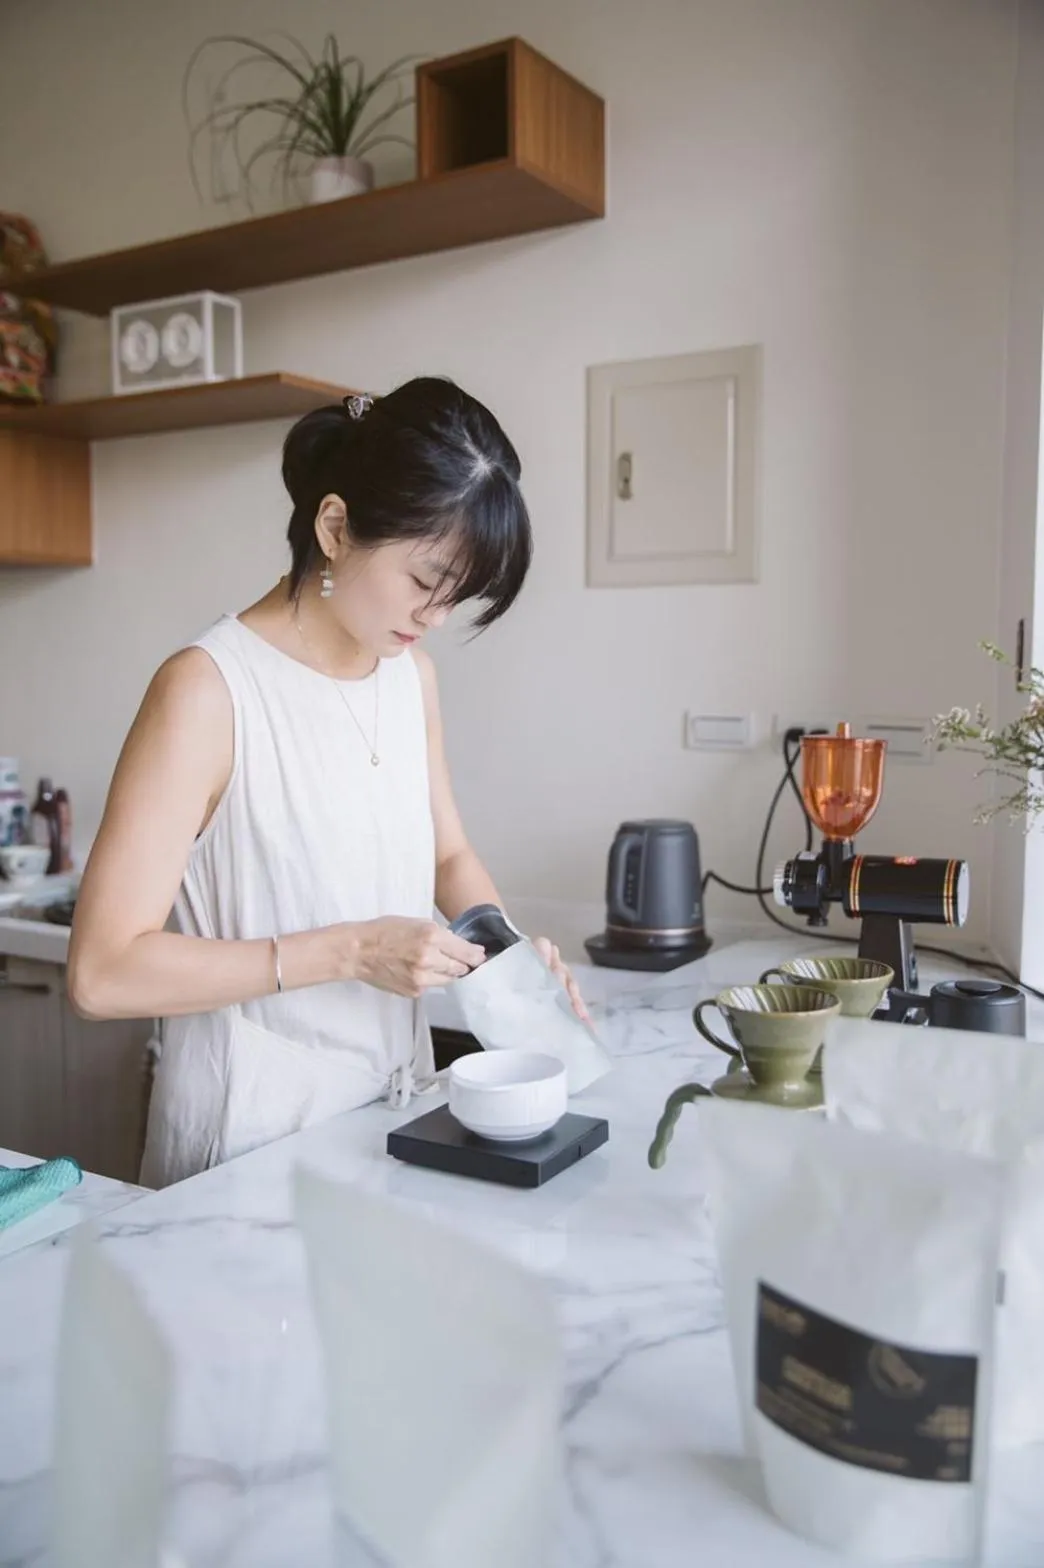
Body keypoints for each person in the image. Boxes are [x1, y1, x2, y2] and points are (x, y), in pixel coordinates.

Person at [68, 376, 588, 1187]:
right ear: (336, 525)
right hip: (241, 1149)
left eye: (459, 597)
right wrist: (351, 951)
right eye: (424, 582)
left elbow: (447, 853)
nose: (435, 619)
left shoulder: (407, 676)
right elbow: (102, 973)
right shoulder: (208, 691)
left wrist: (508, 957)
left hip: (394, 1121)